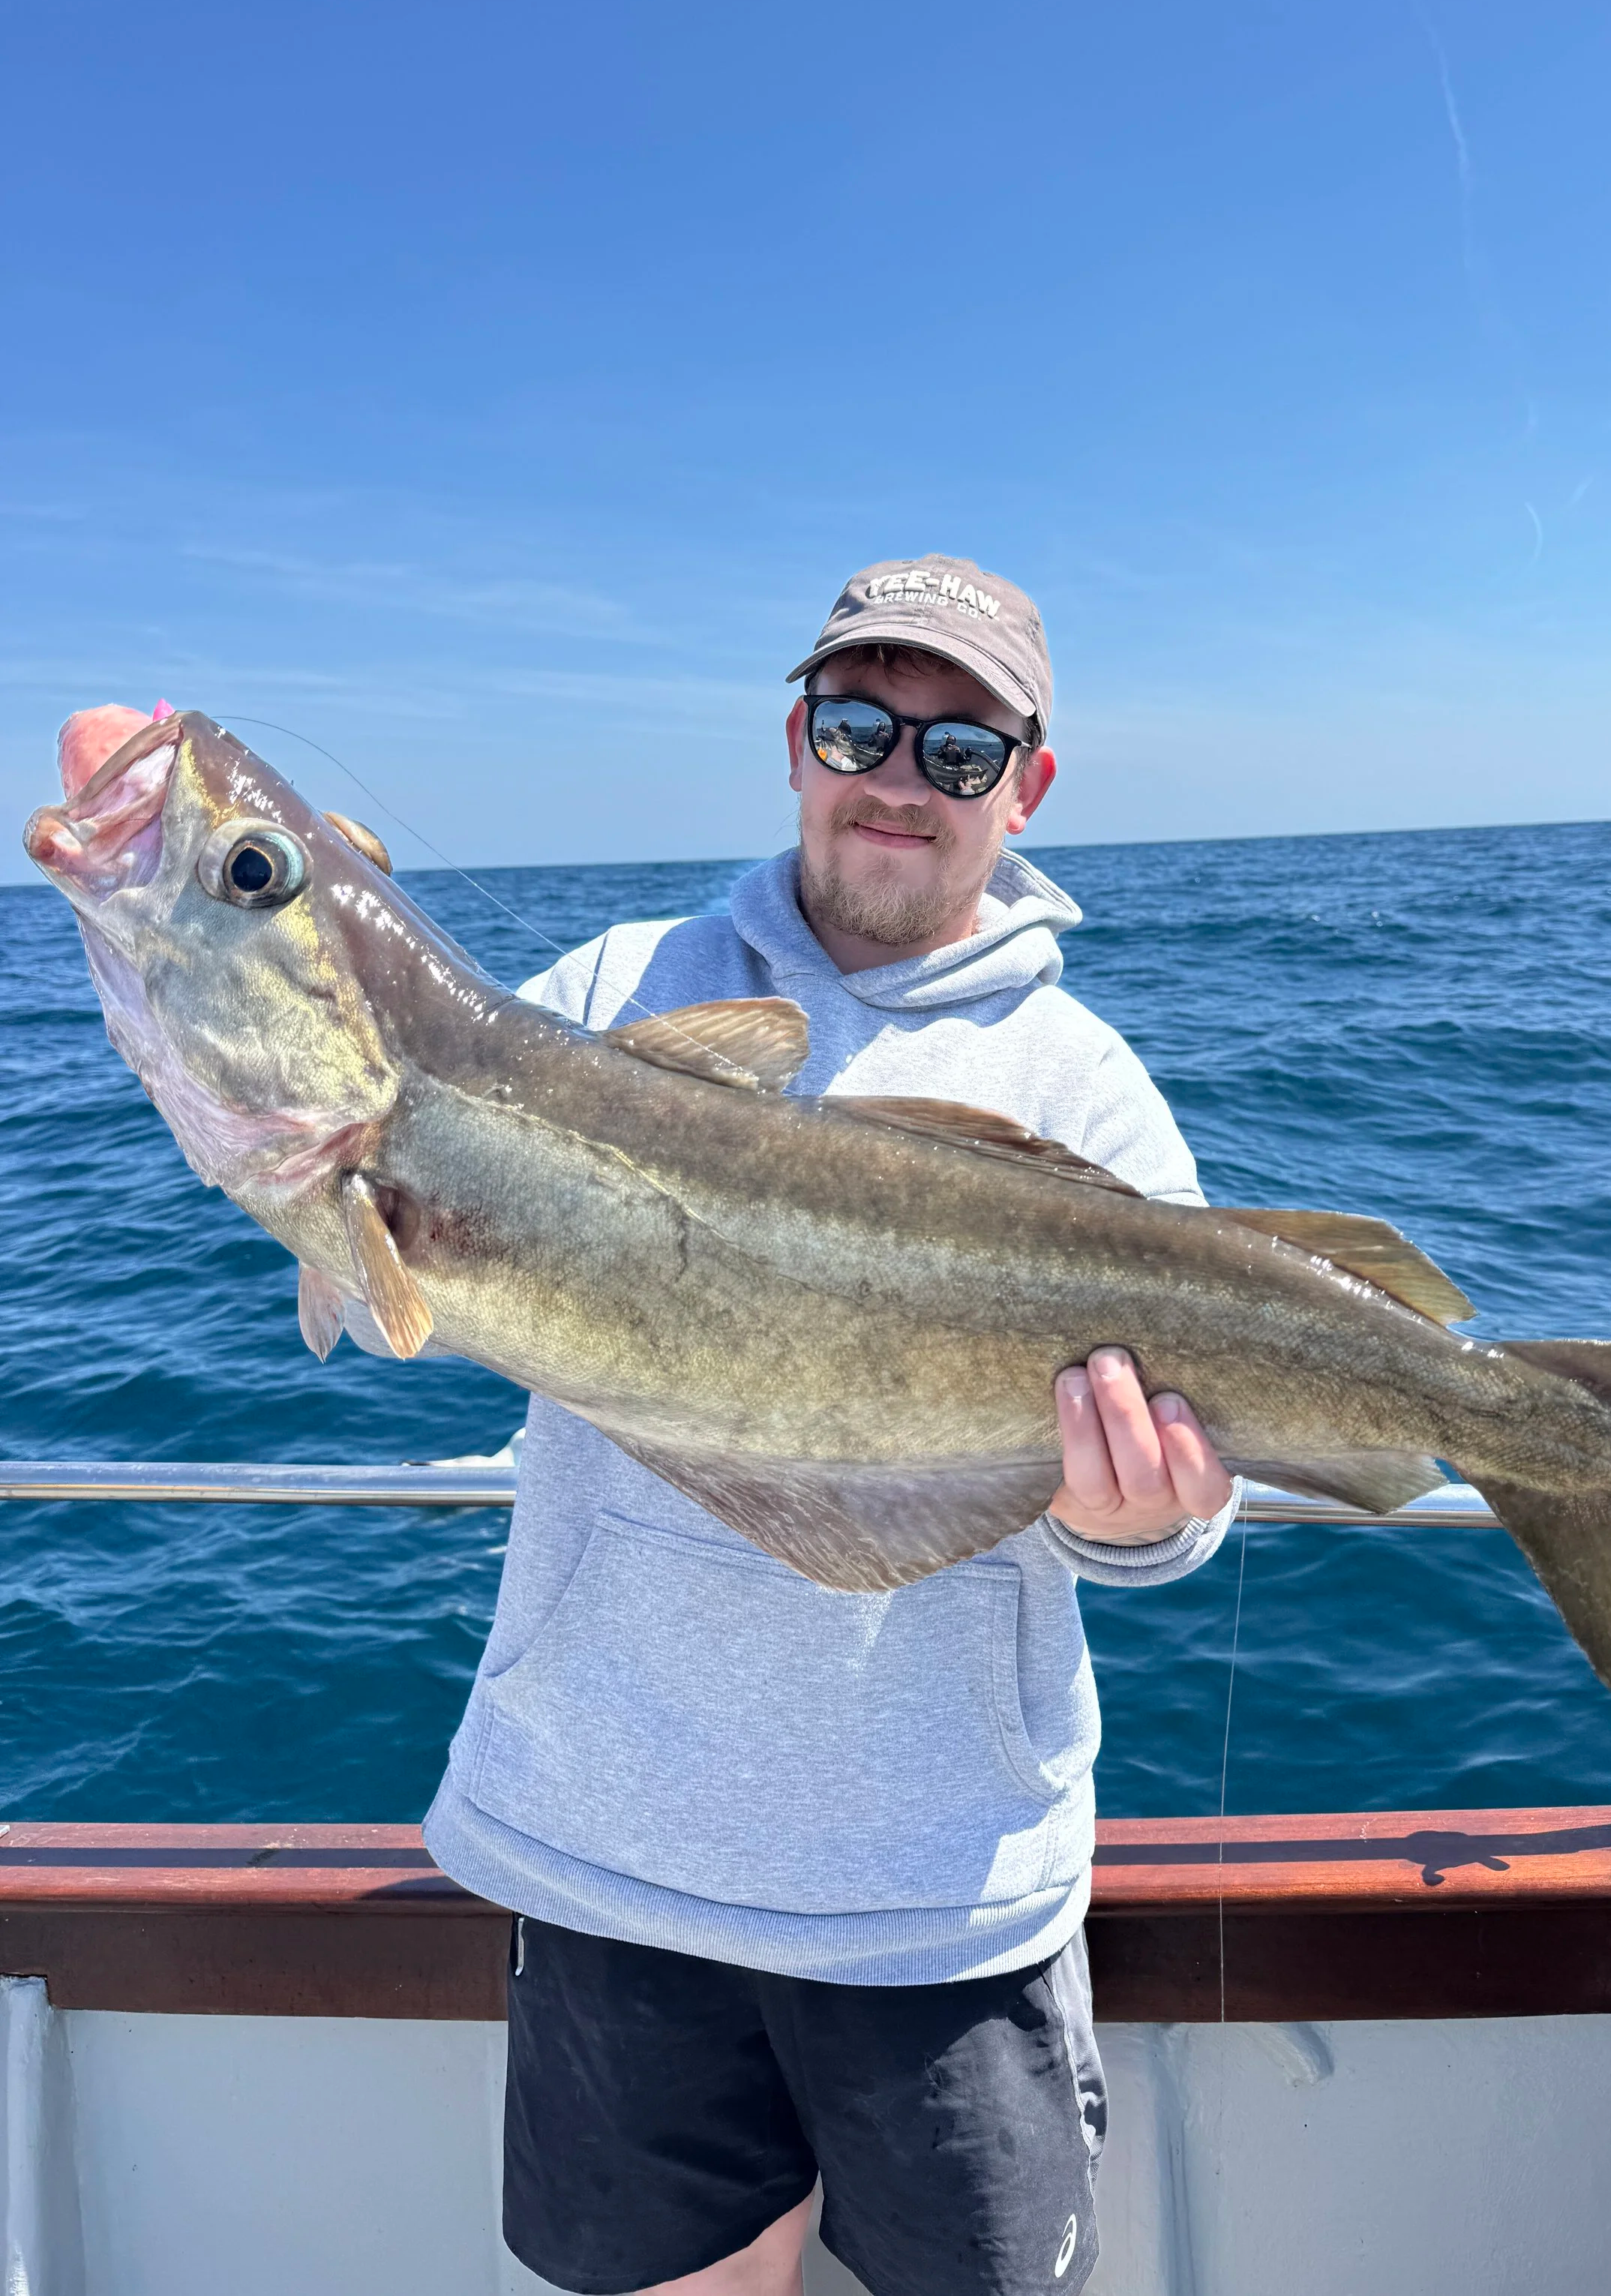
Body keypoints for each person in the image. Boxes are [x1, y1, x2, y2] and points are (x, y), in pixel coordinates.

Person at [424, 555, 1239, 2296]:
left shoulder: (1084, 1084)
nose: (899, 774)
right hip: (605, 1854)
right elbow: (412, 1253)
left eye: (959, 749)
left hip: (941, 1898)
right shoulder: (605, 994)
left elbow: (1178, 1529)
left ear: (1024, 787)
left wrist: (1130, 1513)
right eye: (861, 722)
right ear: (795, 739)